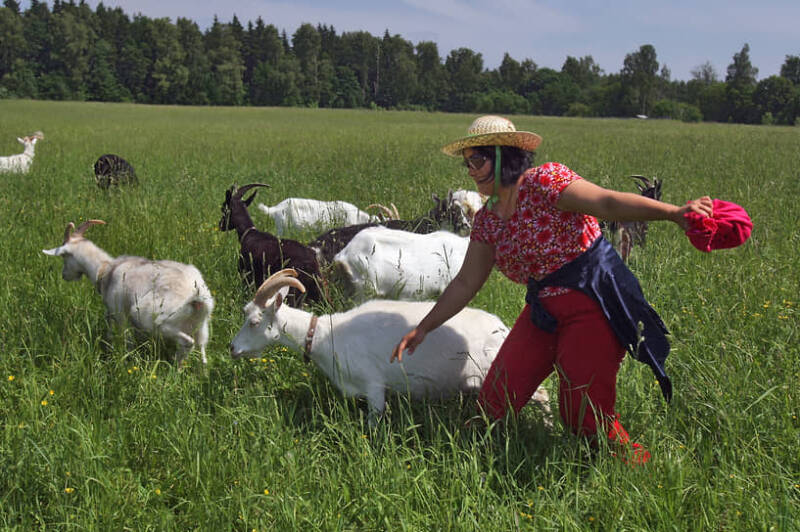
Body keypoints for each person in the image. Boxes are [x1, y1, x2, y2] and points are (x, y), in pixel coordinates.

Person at [390, 115, 713, 464]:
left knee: (583, 415)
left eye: (477, 160)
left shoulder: (546, 182)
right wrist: (424, 327)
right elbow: (466, 282)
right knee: (496, 399)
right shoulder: (487, 220)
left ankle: (639, 467)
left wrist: (674, 213)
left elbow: (605, 203)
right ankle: (468, 460)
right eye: (467, 162)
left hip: (593, 302)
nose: (469, 170)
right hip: (544, 310)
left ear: (503, 157)